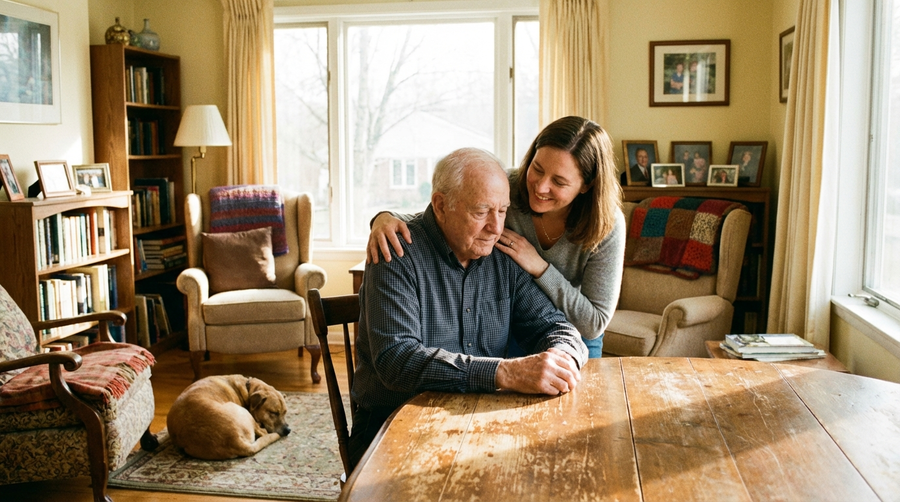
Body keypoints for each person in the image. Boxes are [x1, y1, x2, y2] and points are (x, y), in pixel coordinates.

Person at [352, 147, 588, 469]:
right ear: (441, 205)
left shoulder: (502, 254)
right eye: (481, 212)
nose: (495, 226)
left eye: (502, 210)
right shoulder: (395, 253)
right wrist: (503, 372)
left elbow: (557, 327)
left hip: (478, 424)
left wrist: (561, 359)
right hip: (395, 428)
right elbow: (397, 359)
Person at [368, 116, 626, 360]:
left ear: (586, 185)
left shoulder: (606, 224)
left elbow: (592, 323)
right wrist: (384, 216)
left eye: (558, 181)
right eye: (537, 168)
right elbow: (448, 207)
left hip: (573, 325)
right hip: (516, 318)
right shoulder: (508, 186)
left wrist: (538, 266)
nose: (540, 186)